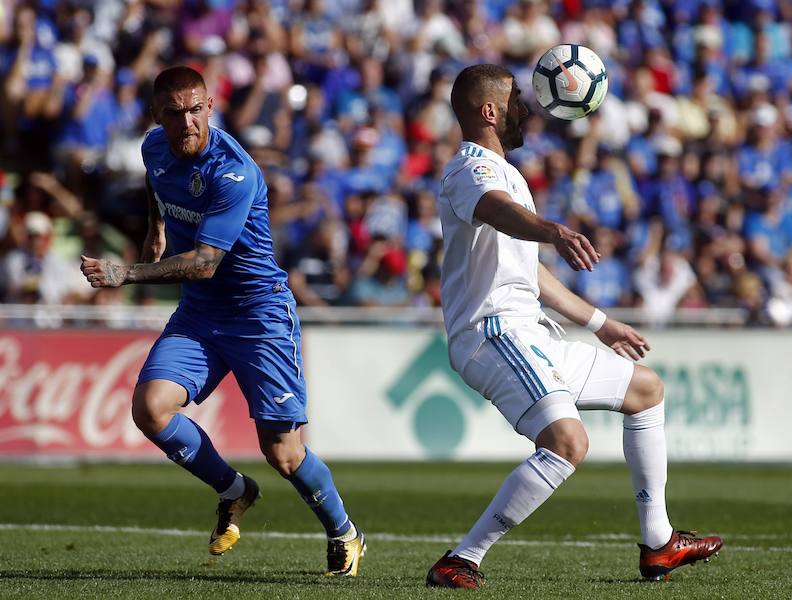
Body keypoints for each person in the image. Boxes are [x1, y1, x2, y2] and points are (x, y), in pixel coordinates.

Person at [425, 64, 722, 589]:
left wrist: (600, 322)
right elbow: (497, 213)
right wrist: (553, 229)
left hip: (528, 333)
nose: (527, 109)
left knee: (646, 390)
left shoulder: (506, 173)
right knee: (567, 442)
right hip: (494, 333)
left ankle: (659, 543)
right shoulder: (471, 169)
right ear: (489, 111)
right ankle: (462, 559)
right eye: (517, 99)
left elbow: (527, 270)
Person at [79, 66, 365, 576]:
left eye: (196, 110)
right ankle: (236, 492)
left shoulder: (233, 171)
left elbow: (206, 261)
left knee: (283, 452)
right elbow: (157, 183)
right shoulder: (153, 147)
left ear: (210, 106)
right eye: (174, 113)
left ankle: (344, 531)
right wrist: (156, 225)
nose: (187, 122)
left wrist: (128, 272)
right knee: (150, 408)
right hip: (201, 312)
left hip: (259, 313)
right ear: (157, 116)